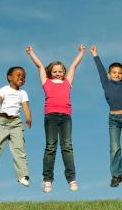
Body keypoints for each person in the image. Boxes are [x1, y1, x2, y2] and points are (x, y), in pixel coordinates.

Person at [26, 45, 85, 192]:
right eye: (55, 71)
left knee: (67, 147)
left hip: (66, 117)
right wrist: (31, 53)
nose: (58, 73)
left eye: (60, 71)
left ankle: (72, 180)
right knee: (51, 147)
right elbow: (39, 65)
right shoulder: (46, 82)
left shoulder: (67, 82)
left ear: (63, 73)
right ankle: (47, 180)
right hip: (51, 117)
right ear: (50, 73)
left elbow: (74, 66)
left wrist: (81, 53)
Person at [90, 45, 122, 188]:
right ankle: (116, 175)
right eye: (114, 72)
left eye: (119, 73)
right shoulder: (106, 83)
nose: (117, 74)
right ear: (109, 74)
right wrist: (95, 55)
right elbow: (100, 70)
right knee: (115, 148)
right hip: (114, 121)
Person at [0, 66, 32, 187]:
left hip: (16, 123)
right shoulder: (4, 89)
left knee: (19, 149)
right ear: (9, 77)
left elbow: (26, 107)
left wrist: (28, 118)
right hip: (2, 122)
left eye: (24, 76)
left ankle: (23, 175)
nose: (22, 78)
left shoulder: (23, 93)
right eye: (18, 75)